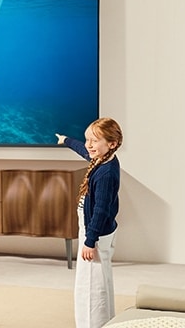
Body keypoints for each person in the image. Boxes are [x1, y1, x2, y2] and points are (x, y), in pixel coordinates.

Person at [56, 117, 123, 328]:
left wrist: (89, 241)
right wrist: (66, 140)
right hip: (98, 231)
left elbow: (101, 209)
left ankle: (91, 324)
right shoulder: (105, 160)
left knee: (90, 286)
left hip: (95, 233)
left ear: (111, 144)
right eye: (87, 140)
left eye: (94, 141)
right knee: (101, 280)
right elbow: (85, 152)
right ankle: (106, 322)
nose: (89, 145)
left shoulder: (105, 173)